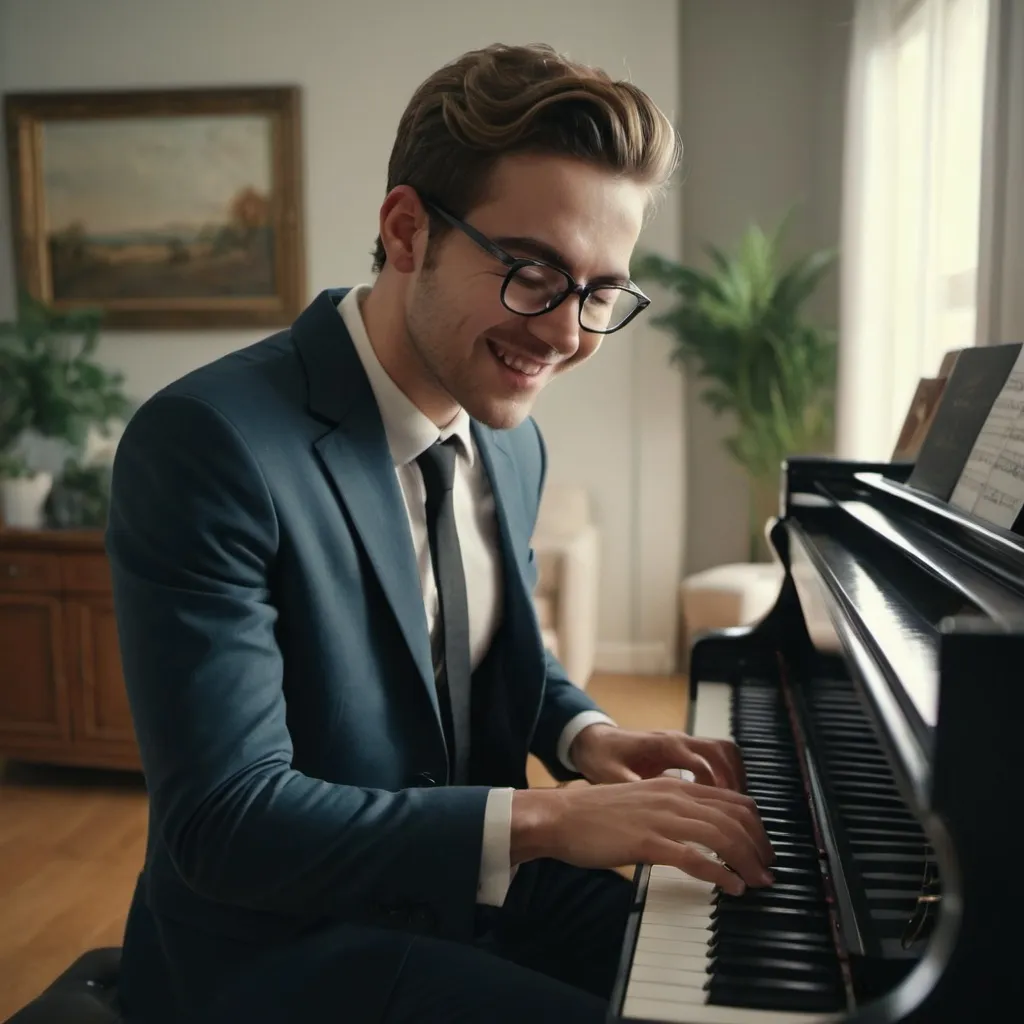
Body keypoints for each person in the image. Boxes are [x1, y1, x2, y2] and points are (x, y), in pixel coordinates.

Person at [106, 42, 774, 1024]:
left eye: (599, 292)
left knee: (745, 973)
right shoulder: (210, 443)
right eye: (534, 272)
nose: (565, 334)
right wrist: (548, 815)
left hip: (464, 895)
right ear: (406, 228)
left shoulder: (511, 441)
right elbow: (227, 821)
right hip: (276, 951)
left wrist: (584, 736)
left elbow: (494, 651)